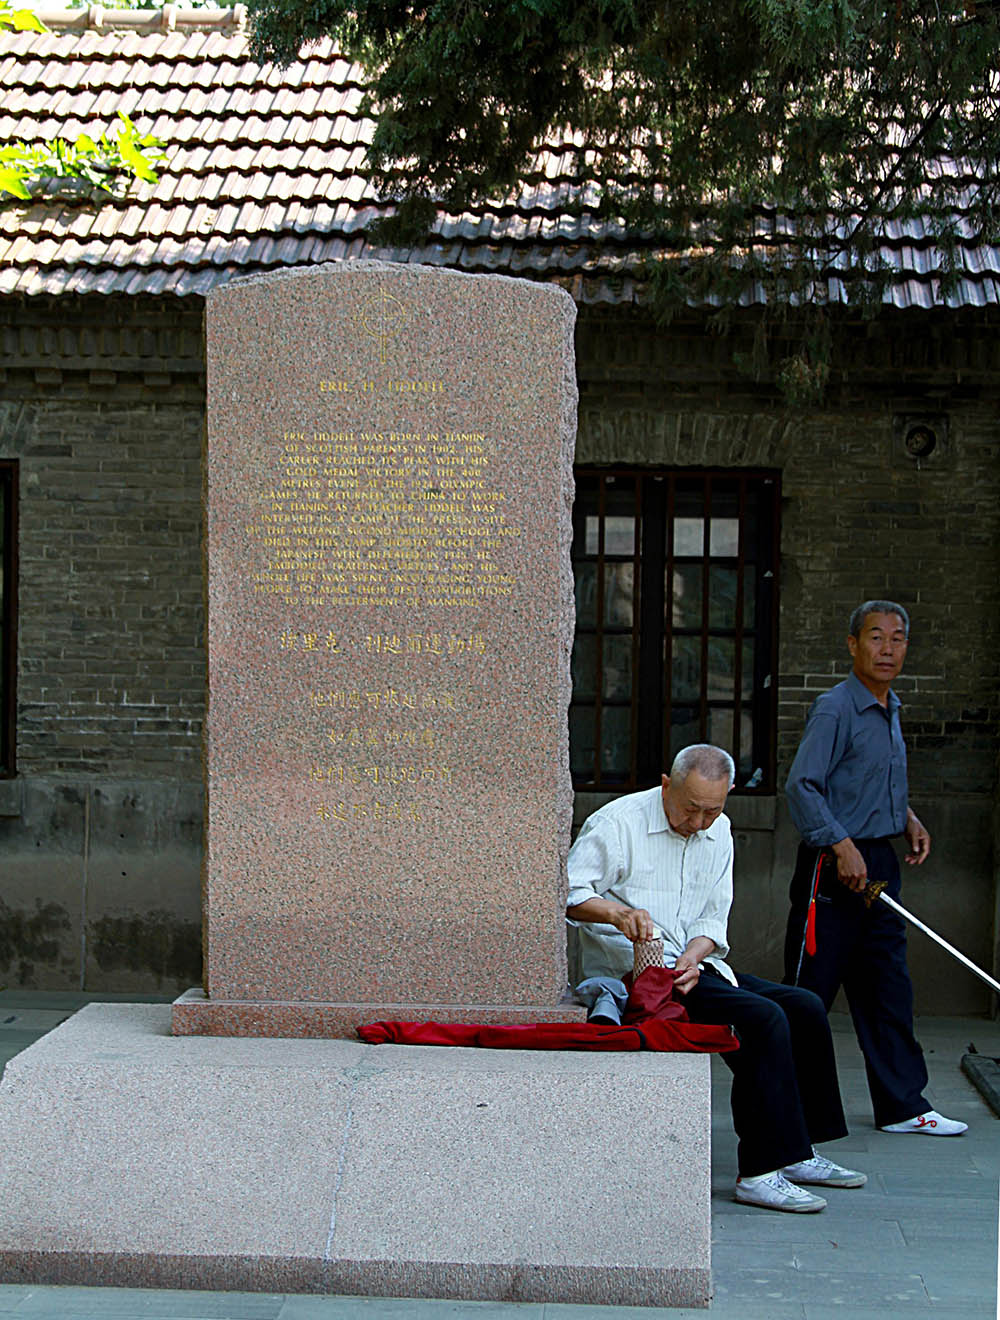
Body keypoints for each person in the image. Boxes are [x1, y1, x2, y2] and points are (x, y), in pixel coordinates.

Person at [567, 743, 866, 1213]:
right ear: (667, 784)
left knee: (804, 1006)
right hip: (634, 974)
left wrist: (694, 953)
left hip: (694, 966)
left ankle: (799, 1149)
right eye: (690, 809)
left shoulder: (719, 829)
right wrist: (617, 912)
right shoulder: (616, 823)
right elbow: (568, 893)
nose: (699, 823)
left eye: (712, 810)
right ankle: (760, 1170)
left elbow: (712, 919)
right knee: (763, 1018)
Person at [784, 599, 967, 1136]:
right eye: (875, 637)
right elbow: (804, 786)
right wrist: (841, 845)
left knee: (889, 984)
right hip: (832, 865)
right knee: (811, 990)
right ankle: (788, 1104)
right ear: (852, 644)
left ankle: (904, 1106)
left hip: (880, 861)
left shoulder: (891, 707)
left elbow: (864, 781)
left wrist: (906, 818)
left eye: (897, 639)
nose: (887, 649)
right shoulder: (834, 708)